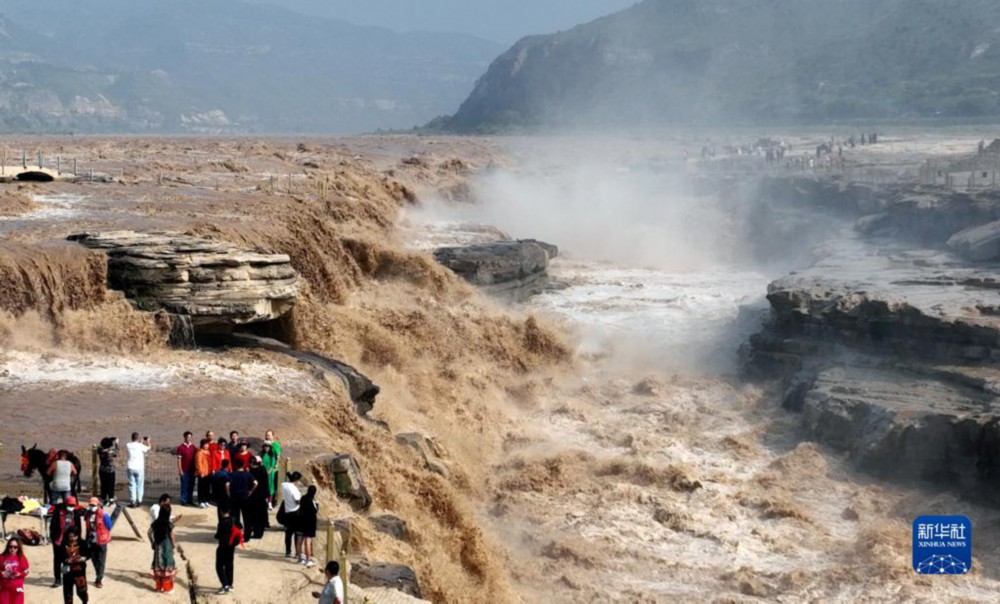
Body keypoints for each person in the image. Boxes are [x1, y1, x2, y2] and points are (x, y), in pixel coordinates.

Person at [50, 495, 84, 588]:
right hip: (59, 539)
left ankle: (68, 577)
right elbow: (53, 526)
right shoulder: (58, 511)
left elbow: (79, 527)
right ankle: (57, 579)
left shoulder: (75, 513)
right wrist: (53, 538)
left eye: (73, 505)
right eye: (70, 505)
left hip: (71, 540)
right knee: (57, 559)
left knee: (70, 558)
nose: (71, 507)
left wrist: (79, 539)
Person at [214, 507, 245, 595]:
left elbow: (218, 535)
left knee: (219, 566)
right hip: (231, 547)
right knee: (229, 565)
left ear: (221, 511)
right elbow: (241, 528)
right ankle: (230, 584)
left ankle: (225, 585)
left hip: (222, 547)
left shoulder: (221, 523)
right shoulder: (234, 519)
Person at [83, 498, 112, 589]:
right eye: (90, 505)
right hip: (91, 540)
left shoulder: (104, 514)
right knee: (93, 559)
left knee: (101, 560)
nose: (92, 507)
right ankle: (100, 574)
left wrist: (101, 533)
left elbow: (109, 525)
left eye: (94, 505)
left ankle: (99, 579)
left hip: (102, 541)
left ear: (98, 505)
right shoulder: (87, 514)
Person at [148, 506, 176, 593]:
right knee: (167, 566)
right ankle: (167, 588)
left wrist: (152, 542)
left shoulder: (156, 523)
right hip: (167, 548)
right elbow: (172, 537)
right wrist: (173, 545)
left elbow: (149, 532)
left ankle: (159, 587)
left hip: (157, 547)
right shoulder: (168, 524)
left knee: (158, 566)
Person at [59, 528, 89, 603]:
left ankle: (85, 601)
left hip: (79, 571)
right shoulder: (64, 544)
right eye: (70, 536)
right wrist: (66, 560)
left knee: (81, 591)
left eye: (74, 536)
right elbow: (60, 556)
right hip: (68, 572)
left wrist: (83, 558)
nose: (72, 538)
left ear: (77, 536)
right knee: (68, 593)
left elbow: (88, 554)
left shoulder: (82, 543)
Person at [226, 459, 257, 531]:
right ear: (243, 465)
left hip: (235, 497)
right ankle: (247, 534)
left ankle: (236, 532)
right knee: (246, 516)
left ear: (236, 465)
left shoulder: (232, 474)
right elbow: (255, 483)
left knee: (235, 516)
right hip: (245, 497)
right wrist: (251, 491)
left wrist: (228, 493)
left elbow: (227, 485)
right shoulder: (247, 474)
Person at [279, 472, 302, 559]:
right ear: (296, 480)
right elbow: (297, 501)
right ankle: (297, 552)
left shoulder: (284, 485)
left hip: (287, 511)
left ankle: (288, 551)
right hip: (295, 512)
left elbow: (285, 482)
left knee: (288, 533)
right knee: (296, 533)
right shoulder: (294, 489)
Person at [0, 537, 29, 604]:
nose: (12, 549)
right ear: (8, 547)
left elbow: (26, 571)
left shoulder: (21, 558)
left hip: (17, 589)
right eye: (10, 547)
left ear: (18, 548)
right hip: (5, 588)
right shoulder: (2, 557)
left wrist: (20, 574)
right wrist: (1, 573)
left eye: (15, 547)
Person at [126, 433, 151, 507]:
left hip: (130, 467)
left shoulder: (128, 445)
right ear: (138, 438)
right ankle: (139, 500)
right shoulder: (140, 446)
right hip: (139, 467)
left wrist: (141, 441)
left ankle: (133, 501)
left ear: (132, 438)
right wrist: (148, 441)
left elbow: (137, 446)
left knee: (132, 485)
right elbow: (148, 448)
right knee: (140, 485)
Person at [296, 485, 318, 568]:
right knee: (307, 542)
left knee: (299, 540)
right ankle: (308, 560)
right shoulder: (312, 500)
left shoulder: (303, 498)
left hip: (300, 522)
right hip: (309, 524)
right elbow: (315, 510)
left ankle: (300, 558)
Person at [248, 457, 269, 538]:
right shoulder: (263, 470)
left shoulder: (252, 472)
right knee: (261, 514)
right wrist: (266, 496)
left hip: (254, 497)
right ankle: (260, 532)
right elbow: (266, 484)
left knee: (255, 516)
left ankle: (257, 533)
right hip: (262, 496)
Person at [175, 431, 197, 506]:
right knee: (184, 485)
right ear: (184, 437)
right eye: (188, 437)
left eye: (190, 437)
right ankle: (183, 500)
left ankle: (190, 500)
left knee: (191, 485)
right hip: (184, 470)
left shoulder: (193, 447)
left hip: (192, 469)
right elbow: (179, 459)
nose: (189, 438)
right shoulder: (181, 447)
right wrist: (180, 470)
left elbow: (196, 459)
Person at [97, 437, 119, 505]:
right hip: (110, 471)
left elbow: (100, 447)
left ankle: (104, 498)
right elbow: (117, 452)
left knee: (103, 485)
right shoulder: (111, 451)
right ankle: (111, 498)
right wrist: (116, 443)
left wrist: (109, 441)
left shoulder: (100, 450)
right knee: (111, 485)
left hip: (102, 470)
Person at [261, 441, 279, 509]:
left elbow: (273, 464)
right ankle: (264, 502)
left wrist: (268, 472)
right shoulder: (261, 454)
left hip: (270, 474)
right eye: (265, 446)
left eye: (268, 446)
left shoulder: (272, 455)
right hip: (263, 473)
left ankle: (270, 502)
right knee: (263, 487)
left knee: (270, 487)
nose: (266, 448)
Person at [195, 439, 212, 508]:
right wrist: (201, 472)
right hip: (202, 473)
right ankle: (201, 501)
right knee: (201, 488)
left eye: (207, 444)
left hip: (208, 472)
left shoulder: (208, 452)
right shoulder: (200, 453)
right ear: (202, 445)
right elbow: (198, 463)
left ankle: (206, 501)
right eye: (205, 444)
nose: (206, 446)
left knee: (207, 488)